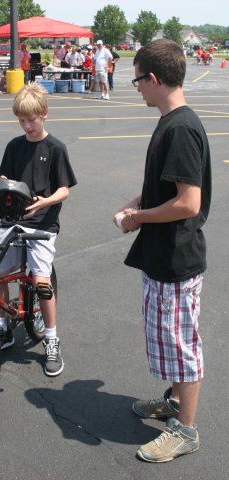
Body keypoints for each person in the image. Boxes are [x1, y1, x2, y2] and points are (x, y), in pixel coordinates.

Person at [113, 39, 211, 462]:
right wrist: (138, 202)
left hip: (177, 259)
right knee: (168, 343)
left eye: (137, 80)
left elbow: (188, 202)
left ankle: (185, 430)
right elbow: (166, 186)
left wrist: (138, 219)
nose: (136, 87)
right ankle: (172, 404)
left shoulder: (182, 128)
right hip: (161, 257)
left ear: (153, 78)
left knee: (181, 346)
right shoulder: (169, 121)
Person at [0, 83, 77, 376]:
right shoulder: (14, 146)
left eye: (31, 119)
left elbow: (64, 189)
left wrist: (45, 202)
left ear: (44, 114)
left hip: (42, 223)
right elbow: (4, 176)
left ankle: (51, 340)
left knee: (42, 282)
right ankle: (2, 328)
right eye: (21, 120)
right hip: (13, 220)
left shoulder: (55, 148)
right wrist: (6, 186)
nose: (26, 125)